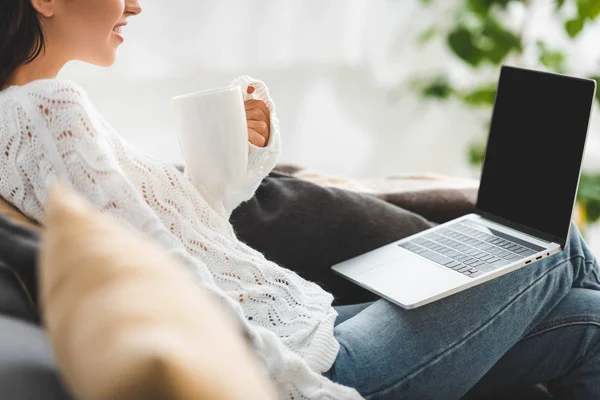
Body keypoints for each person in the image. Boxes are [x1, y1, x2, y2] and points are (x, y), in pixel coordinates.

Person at [0, 1, 599, 399]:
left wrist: (236, 152)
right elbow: (171, 273)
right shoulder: (49, 110)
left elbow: (185, 234)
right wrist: (304, 389)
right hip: (315, 370)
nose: (134, 4)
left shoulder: (24, 118)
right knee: (544, 234)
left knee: (591, 322)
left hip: (314, 332)